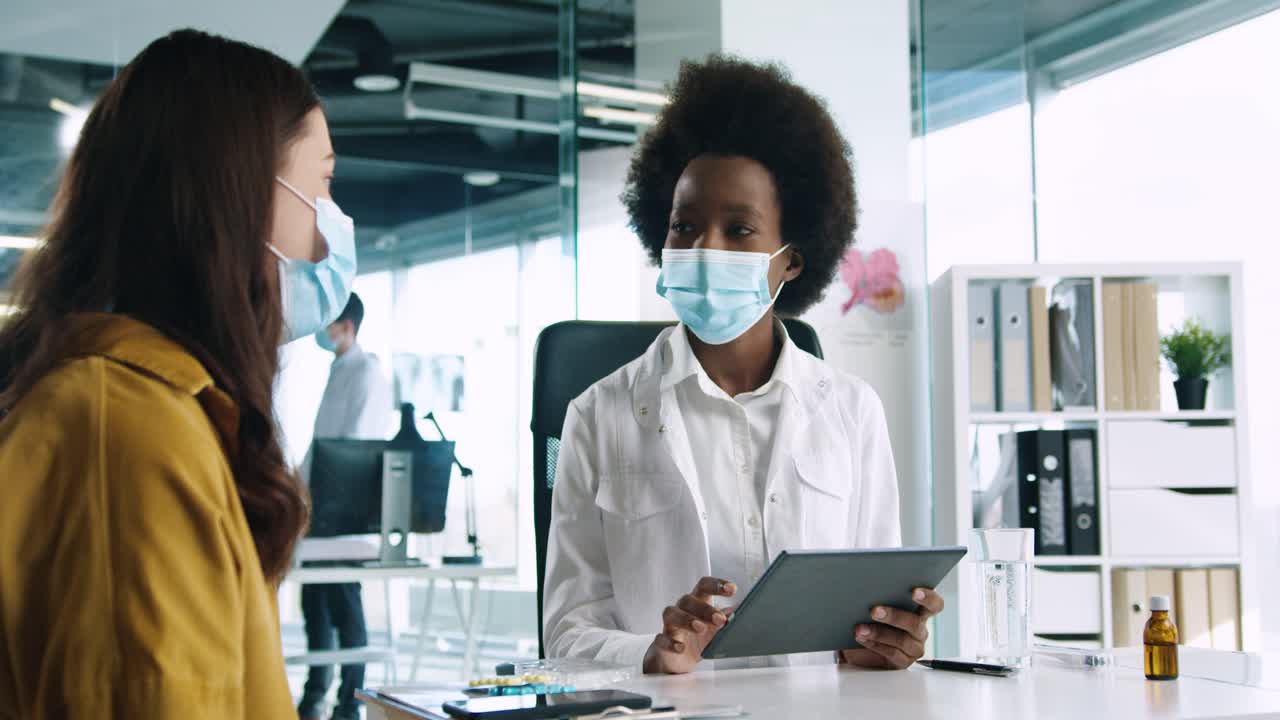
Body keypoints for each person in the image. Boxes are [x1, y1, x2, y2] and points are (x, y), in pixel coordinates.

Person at [542, 55, 944, 675]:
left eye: (739, 229)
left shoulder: (851, 410)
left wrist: (888, 642)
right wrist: (648, 654)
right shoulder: (598, 415)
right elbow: (569, 632)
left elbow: (874, 616)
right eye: (685, 226)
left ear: (792, 260)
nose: (706, 249)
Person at [0, 29, 356, 718]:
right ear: (236, 197)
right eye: (321, 185)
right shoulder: (124, 434)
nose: (322, 238)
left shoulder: (152, 409)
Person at [298, 292, 393, 720]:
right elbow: (320, 445)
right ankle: (315, 694)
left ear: (347, 325)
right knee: (314, 603)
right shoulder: (338, 370)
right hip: (319, 509)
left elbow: (355, 445)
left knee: (343, 604)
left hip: (344, 514)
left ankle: (348, 703)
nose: (323, 330)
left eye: (329, 321)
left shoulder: (366, 372)